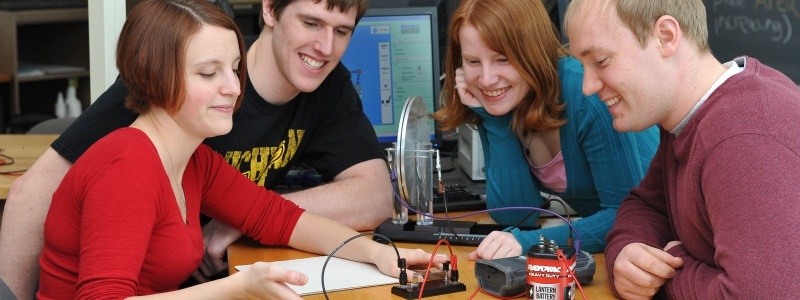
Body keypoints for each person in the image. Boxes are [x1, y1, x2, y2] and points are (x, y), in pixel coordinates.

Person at [37, 1, 444, 298]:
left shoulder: (195, 160)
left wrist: (380, 255)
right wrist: (237, 288)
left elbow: (279, 217)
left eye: (235, 70)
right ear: (156, 77)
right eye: (209, 73)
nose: (234, 88)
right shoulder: (128, 165)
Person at [564, 0, 800, 298]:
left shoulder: (745, 136)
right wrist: (629, 254)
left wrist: (671, 273)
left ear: (665, 36)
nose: (587, 86)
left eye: (600, 61)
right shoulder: (685, 119)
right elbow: (647, 205)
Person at [432, 0, 659, 260]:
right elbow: (516, 214)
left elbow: (627, 216)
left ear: (532, 52)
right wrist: (494, 121)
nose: (486, 79)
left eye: (502, 59)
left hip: (658, 243)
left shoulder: (586, 95)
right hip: (611, 250)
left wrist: (532, 242)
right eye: (473, 61)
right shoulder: (505, 102)